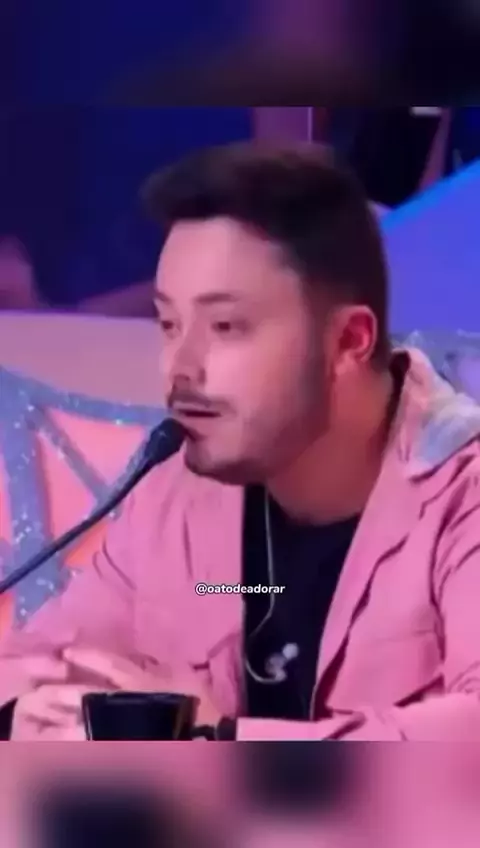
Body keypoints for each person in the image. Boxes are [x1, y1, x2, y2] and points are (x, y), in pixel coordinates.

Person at [2, 142, 480, 741]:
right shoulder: (178, 491)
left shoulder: (464, 494)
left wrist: (220, 739)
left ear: (349, 341)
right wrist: (23, 714)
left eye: (225, 327)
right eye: (169, 324)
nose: (178, 368)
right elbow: (39, 660)